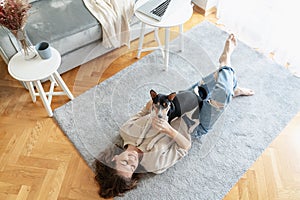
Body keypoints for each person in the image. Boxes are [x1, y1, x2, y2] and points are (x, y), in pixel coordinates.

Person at [94, 34, 255, 198]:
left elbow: (144, 110)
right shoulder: (154, 164)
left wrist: (158, 109)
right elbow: (185, 147)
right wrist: (169, 130)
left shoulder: (126, 131)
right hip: (195, 124)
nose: (132, 161)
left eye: (124, 162)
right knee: (223, 92)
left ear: (114, 158)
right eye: (131, 168)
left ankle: (232, 86)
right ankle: (225, 60)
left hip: (178, 104)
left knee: (215, 79)